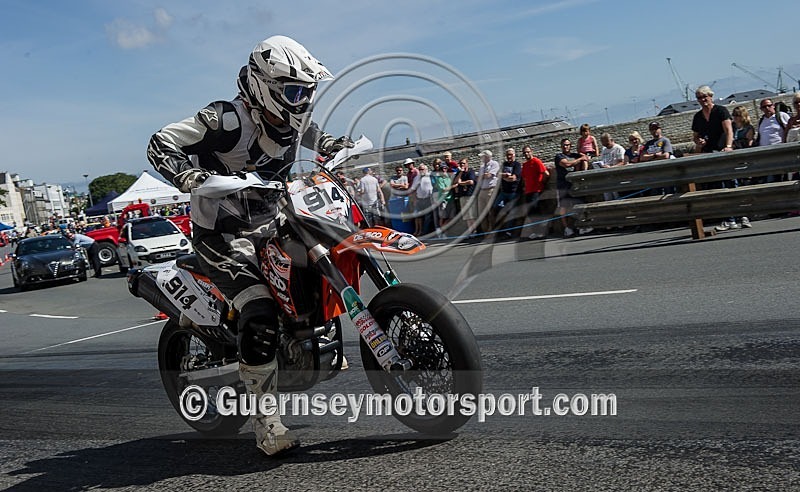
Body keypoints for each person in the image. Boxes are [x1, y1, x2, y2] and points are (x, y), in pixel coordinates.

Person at [146, 35, 354, 457]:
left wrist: (338, 147)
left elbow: (314, 137)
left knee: (322, 257)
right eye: (296, 92)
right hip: (224, 234)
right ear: (265, 86)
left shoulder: (290, 121)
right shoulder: (225, 120)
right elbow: (160, 142)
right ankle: (267, 422)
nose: (303, 101)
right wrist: (188, 176)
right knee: (259, 310)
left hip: (274, 218)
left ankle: (310, 340)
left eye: (308, 92)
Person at [554, 138, 591, 237]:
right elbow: (567, 164)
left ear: (571, 146)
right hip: (563, 185)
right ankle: (567, 228)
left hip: (574, 185)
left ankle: (582, 226)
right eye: (564, 145)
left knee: (579, 204)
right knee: (563, 208)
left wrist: (583, 171)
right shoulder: (559, 156)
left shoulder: (574, 155)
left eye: (567, 145)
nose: (566, 147)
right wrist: (579, 160)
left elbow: (586, 158)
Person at [692, 85, 733, 154]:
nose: (702, 99)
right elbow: (695, 136)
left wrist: (728, 146)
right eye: (699, 98)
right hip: (706, 151)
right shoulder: (697, 117)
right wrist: (699, 141)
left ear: (710, 96)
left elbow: (729, 130)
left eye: (705, 96)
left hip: (722, 149)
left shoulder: (721, 111)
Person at [520, 145, 550, 239]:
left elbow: (546, 173)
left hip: (536, 190)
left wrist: (542, 183)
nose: (526, 154)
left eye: (528, 152)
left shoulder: (536, 161)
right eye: (524, 152)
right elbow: (524, 178)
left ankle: (541, 231)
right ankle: (535, 231)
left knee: (537, 211)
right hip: (528, 191)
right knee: (530, 212)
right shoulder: (525, 165)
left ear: (531, 151)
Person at [494, 148, 523, 238]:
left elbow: (513, 178)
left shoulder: (517, 165)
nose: (509, 157)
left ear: (514, 155)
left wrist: (504, 176)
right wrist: (505, 175)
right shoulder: (504, 164)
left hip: (513, 192)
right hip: (504, 192)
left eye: (511, 154)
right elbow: (497, 174)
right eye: (507, 155)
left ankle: (508, 232)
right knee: (495, 206)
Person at [476, 150, 499, 233]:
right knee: (481, 213)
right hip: (482, 190)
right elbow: (479, 178)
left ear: (487, 157)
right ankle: (485, 231)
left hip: (490, 189)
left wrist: (482, 176)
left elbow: (489, 175)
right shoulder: (482, 167)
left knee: (491, 212)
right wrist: (483, 176)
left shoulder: (494, 164)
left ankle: (492, 231)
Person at [453, 158, 477, 236]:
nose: (462, 165)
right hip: (462, 195)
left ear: (467, 164)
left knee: (471, 215)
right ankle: (470, 231)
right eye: (460, 164)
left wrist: (461, 183)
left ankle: (474, 230)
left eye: (463, 163)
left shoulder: (471, 171)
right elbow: (455, 182)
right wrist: (460, 173)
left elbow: (471, 181)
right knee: (466, 216)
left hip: (469, 195)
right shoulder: (460, 173)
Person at [408, 163, 433, 236]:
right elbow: (413, 189)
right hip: (419, 199)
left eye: (422, 169)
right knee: (418, 217)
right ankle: (418, 231)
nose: (421, 171)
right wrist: (414, 199)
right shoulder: (417, 178)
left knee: (428, 217)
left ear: (426, 170)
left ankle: (425, 232)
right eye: (420, 169)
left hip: (428, 199)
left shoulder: (430, 176)